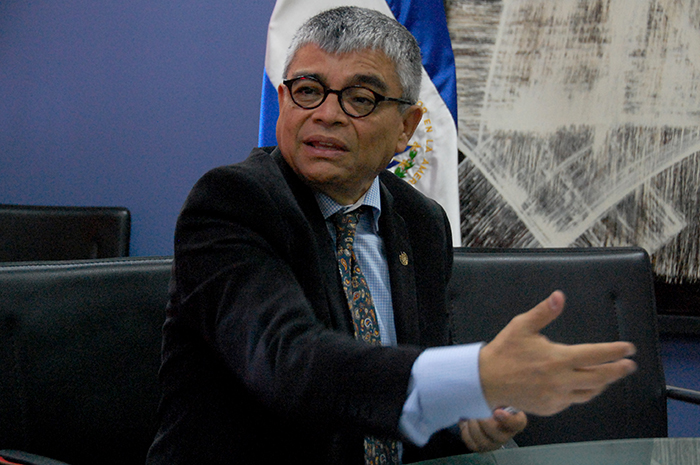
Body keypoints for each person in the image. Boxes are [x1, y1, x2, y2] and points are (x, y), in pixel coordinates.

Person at [146, 6, 637, 465]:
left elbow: (405, 395)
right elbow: (289, 363)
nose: (327, 114)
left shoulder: (421, 222)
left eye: (360, 99)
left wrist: (465, 420)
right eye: (308, 91)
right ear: (282, 100)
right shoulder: (232, 203)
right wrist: (474, 375)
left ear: (406, 127)